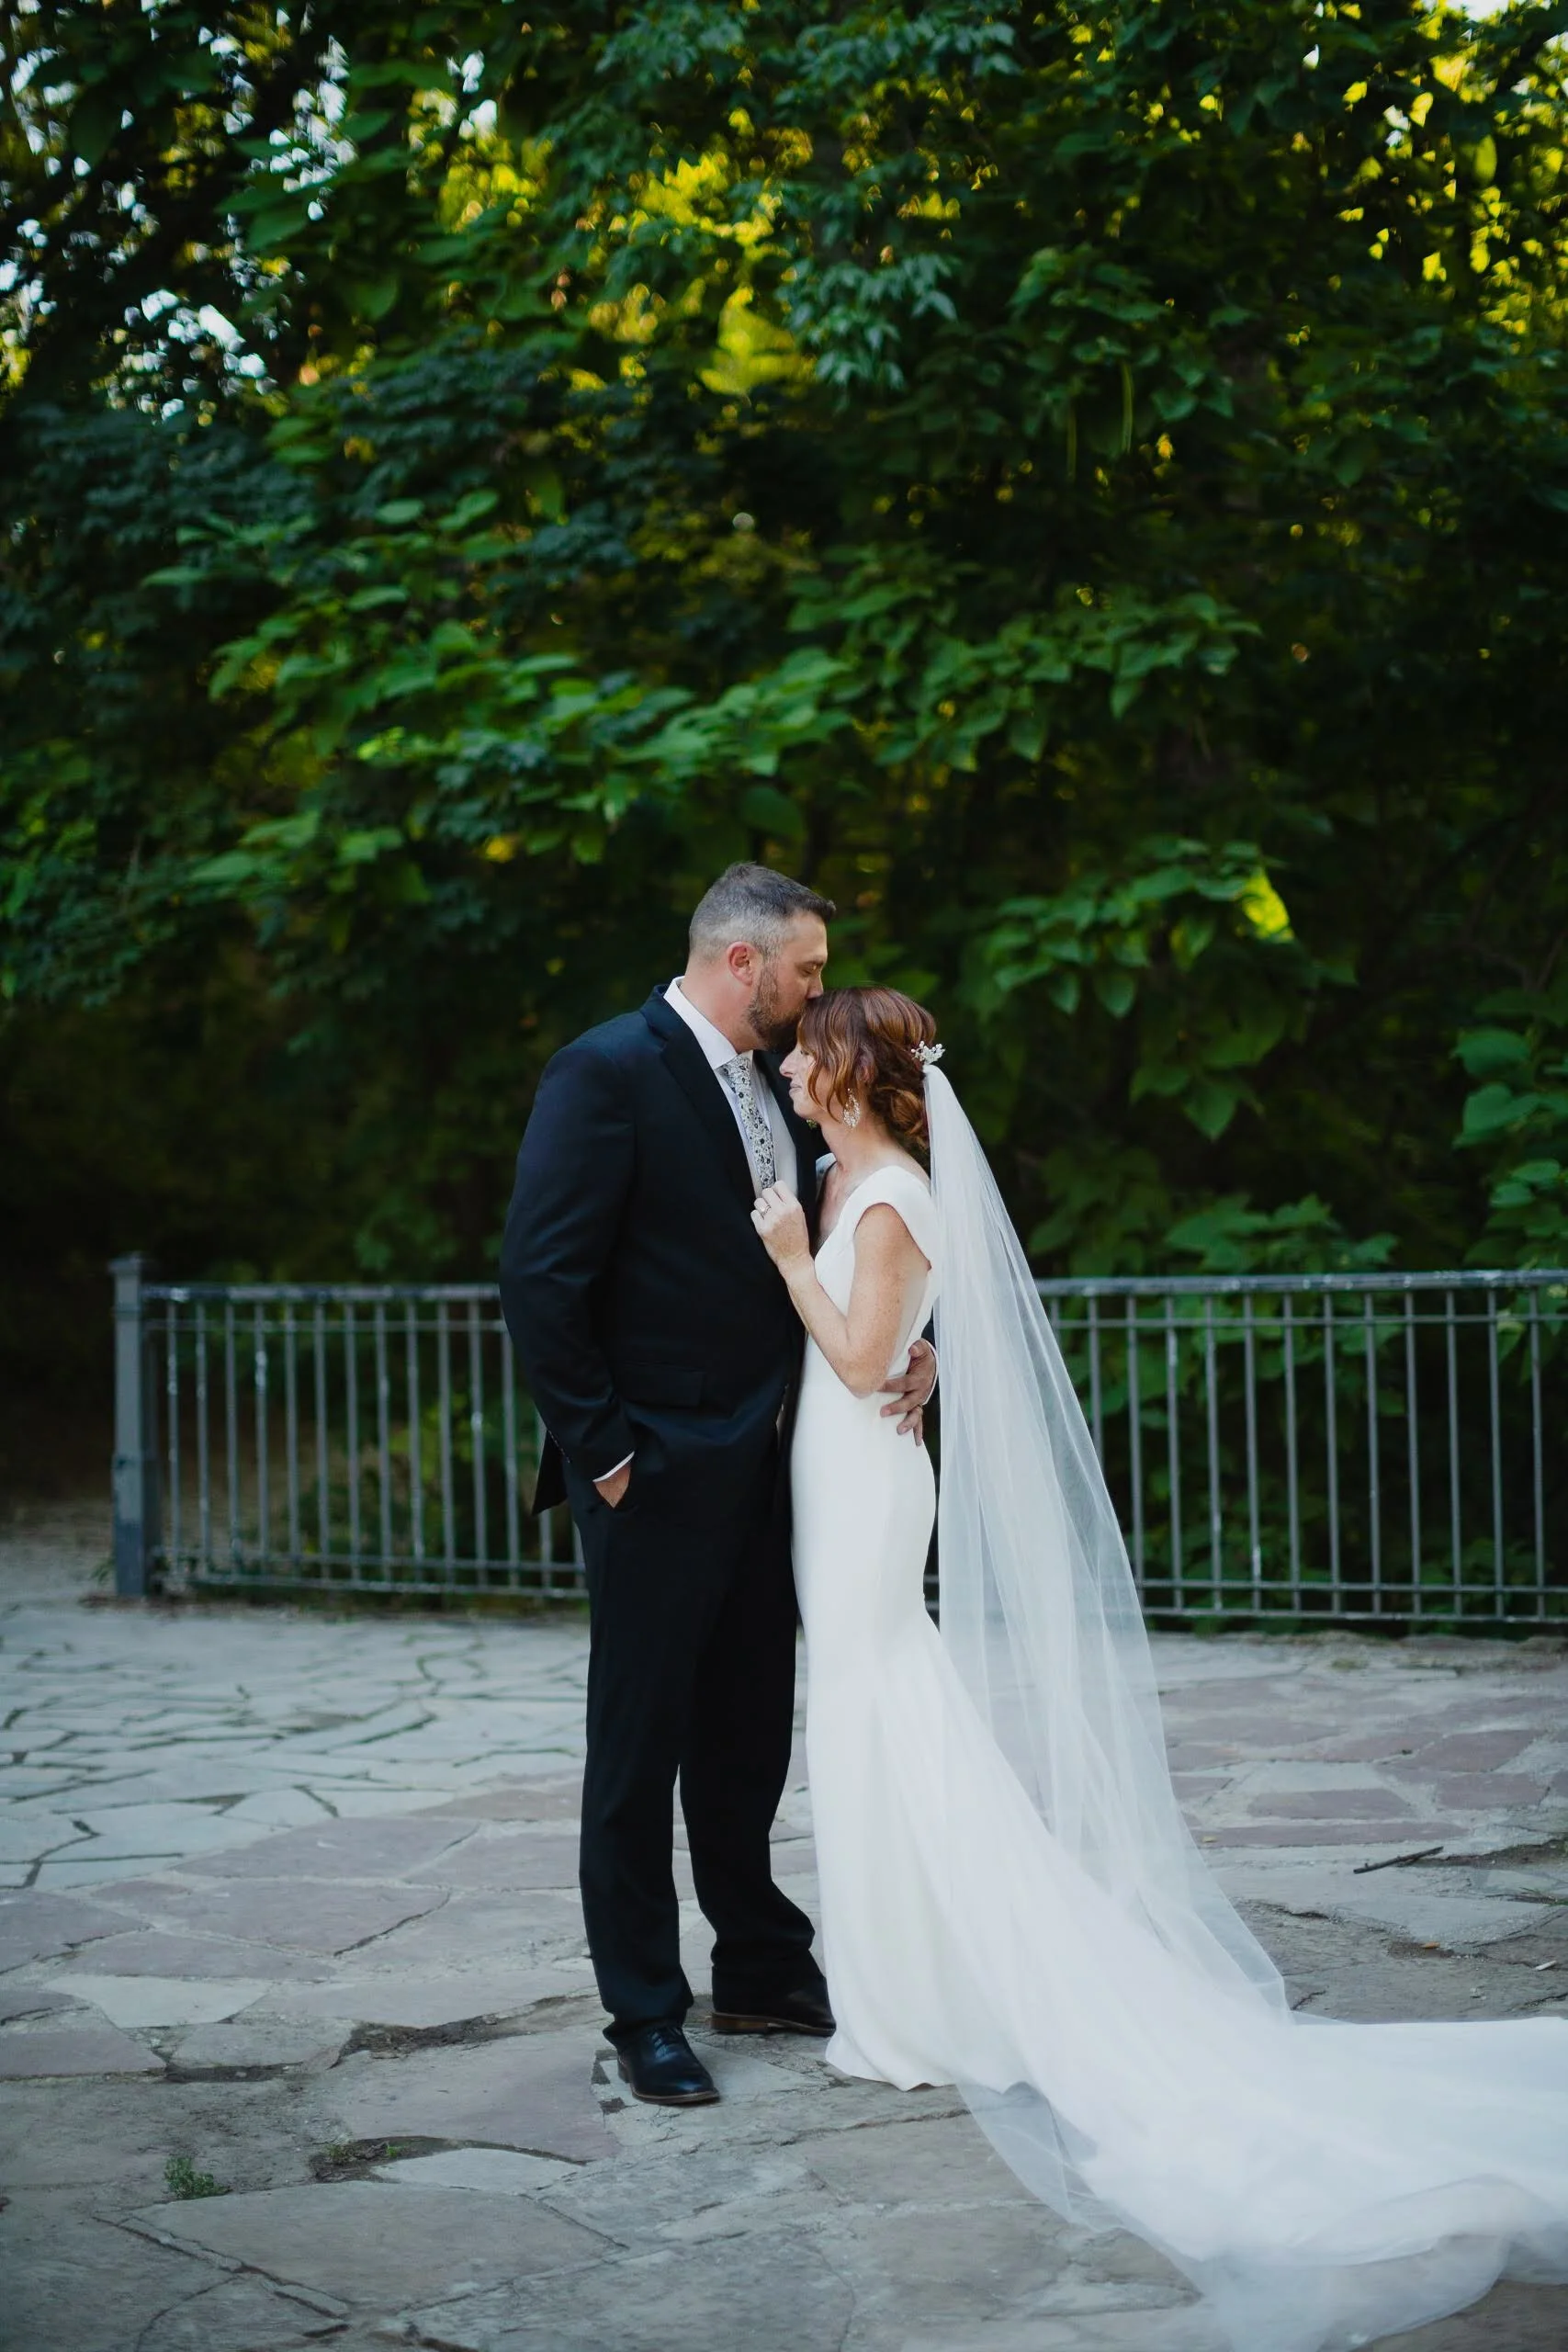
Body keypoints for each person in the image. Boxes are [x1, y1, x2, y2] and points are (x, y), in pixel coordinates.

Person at [750, 984, 1568, 2352]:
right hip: (833, 1486)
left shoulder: (883, 1196)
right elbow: (896, 1347)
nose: (785, 1068)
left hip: (867, 1485)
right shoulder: (848, 1177)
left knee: (883, 1708)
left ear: (849, 1072)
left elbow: (853, 1359)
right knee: (865, 1718)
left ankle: (924, 2001)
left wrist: (788, 1257)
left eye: (803, 1055)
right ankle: (903, 1980)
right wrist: (894, 1324)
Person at [498, 866, 935, 2107]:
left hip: (782, 1469)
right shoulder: (606, 1071)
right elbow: (541, 1279)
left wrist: (920, 1346)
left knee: (746, 1737)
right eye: (802, 970)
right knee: (636, 1751)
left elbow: (864, 1242)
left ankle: (757, 1964)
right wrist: (608, 1455)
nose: (814, 993)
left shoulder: (790, 1084)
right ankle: (644, 2008)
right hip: (652, 1472)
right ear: (740, 964)